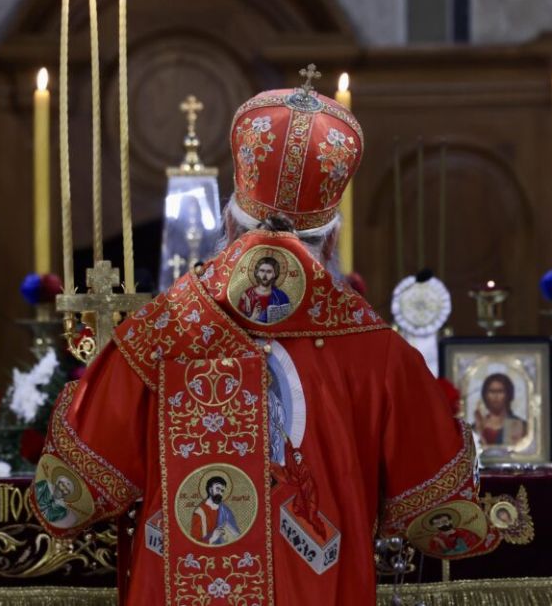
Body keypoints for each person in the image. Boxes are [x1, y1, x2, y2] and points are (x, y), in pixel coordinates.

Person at [30, 72, 496, 605]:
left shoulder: (159, 331)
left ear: (229, 219)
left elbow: (70, 495)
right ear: (334, 235)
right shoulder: (378, 351)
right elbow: (440, 520)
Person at [474, 372, 527, 446]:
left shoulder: (519, 425)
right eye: (492, 391)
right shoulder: (475, 427)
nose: (496, 396)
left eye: (500, 391)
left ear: (508, 394)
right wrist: (479, 430)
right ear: (485, 395)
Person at [238, 256, 291, 323]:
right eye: (262, 271)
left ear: (274, 274)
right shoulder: (247, 295)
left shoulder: (281, 296)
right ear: (257, 273)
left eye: (269, 272)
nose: (264, 275)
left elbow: (286, 320)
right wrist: (253, 317)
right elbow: (239, 322)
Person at [190, 476, 241, 545]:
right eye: (217, 488)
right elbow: (194, 543)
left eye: (222, 491)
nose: (220, 493)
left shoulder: (225, 511)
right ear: (210, 489)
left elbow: (235, 534)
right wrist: (212, 538)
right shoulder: (199, 512)